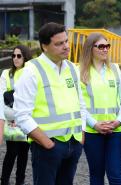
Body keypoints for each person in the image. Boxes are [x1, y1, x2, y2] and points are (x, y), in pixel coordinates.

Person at [13, 22, 86, 185]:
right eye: (59, 43)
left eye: (66, 41)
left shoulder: (72, 68)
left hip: (73, 143)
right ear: (44, 46)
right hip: (47, 147)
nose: (66, 46)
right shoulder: (31, 71)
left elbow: (81, 104)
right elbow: (21, 115)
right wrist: (47, 143)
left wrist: (81, 134)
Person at [80, 33, 121, 185]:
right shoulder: (79, 71)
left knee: (116, 177)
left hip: (116, 131)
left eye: (107, 46)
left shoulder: (115, 69)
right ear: (90, 48)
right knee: (96, 175)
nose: (105, 49)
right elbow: (78, 104)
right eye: (101, 46)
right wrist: (94, 124)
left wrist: (118, 121)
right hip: (92, 131)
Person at [0, 45, 32, 185]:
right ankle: (4, 181)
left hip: (26, 119)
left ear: (25, 57)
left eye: (19, 56)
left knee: (24, 154)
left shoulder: (30, 73)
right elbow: (2, 97)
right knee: (11, 152)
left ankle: (20, 181)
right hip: (11, 119)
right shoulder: (6, 73)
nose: (15, 58)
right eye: (13, 55)